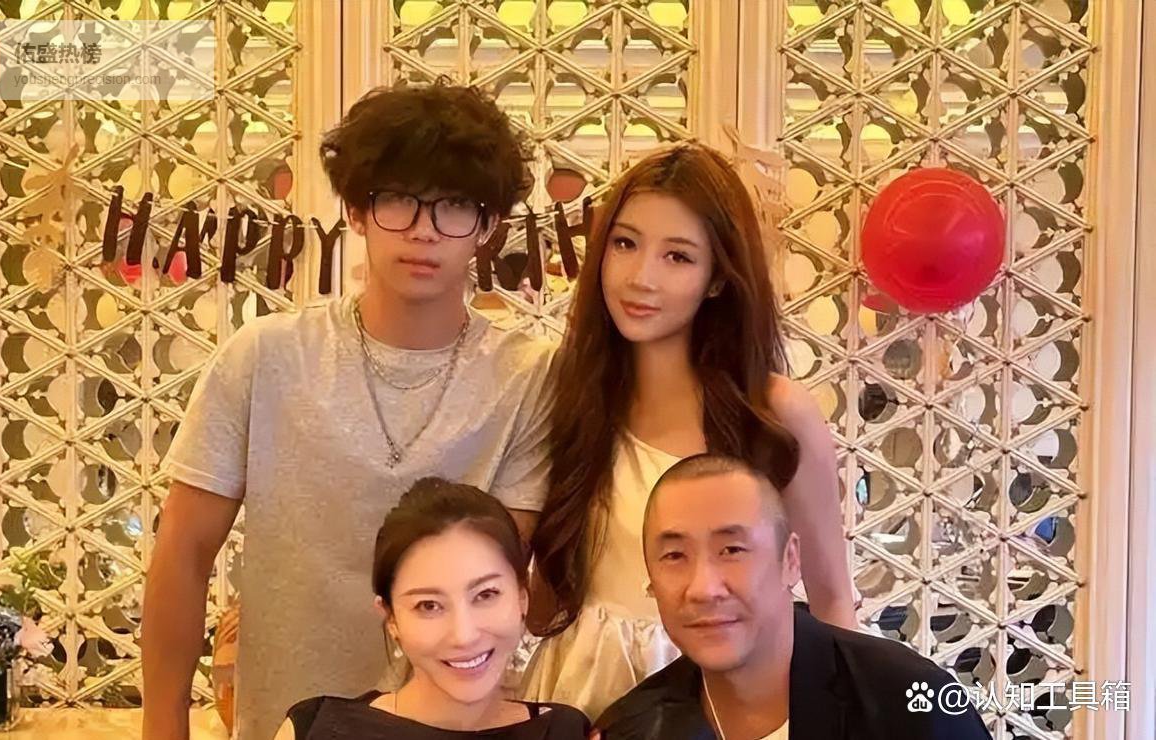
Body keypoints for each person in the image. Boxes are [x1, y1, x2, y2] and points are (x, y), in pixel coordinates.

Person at [141, 81, 555, 740]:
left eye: (454, 206)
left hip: (458, 728)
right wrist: (163, 728)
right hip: (286, 724)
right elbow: (183, 554)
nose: (423, 229)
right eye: (398, 200)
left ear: (488, 226)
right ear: (357, 212)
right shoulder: (266, 356)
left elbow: (506, 572)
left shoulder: (529, 377)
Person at [523, 143, 857, 719]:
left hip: (722, 694)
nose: (641, 277)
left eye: (677, 256)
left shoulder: (773, 414)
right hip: (577, 693)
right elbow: (539, 601)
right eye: (625, 244)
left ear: (717, 279)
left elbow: (832, 601)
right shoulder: (568, 395)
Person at [594, 454, 992, 739]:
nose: (703, 589)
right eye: (674, 556)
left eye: (731, 550)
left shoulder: (907, 701)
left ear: (791, 560)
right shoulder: (633, 728)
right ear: (651, 579)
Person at [272, 478, 590, 739]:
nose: (463, 635)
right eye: (429, 605)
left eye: (486, 594)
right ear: (391, 618)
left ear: (522, 597)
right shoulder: (316, 729)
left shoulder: (566, 732)